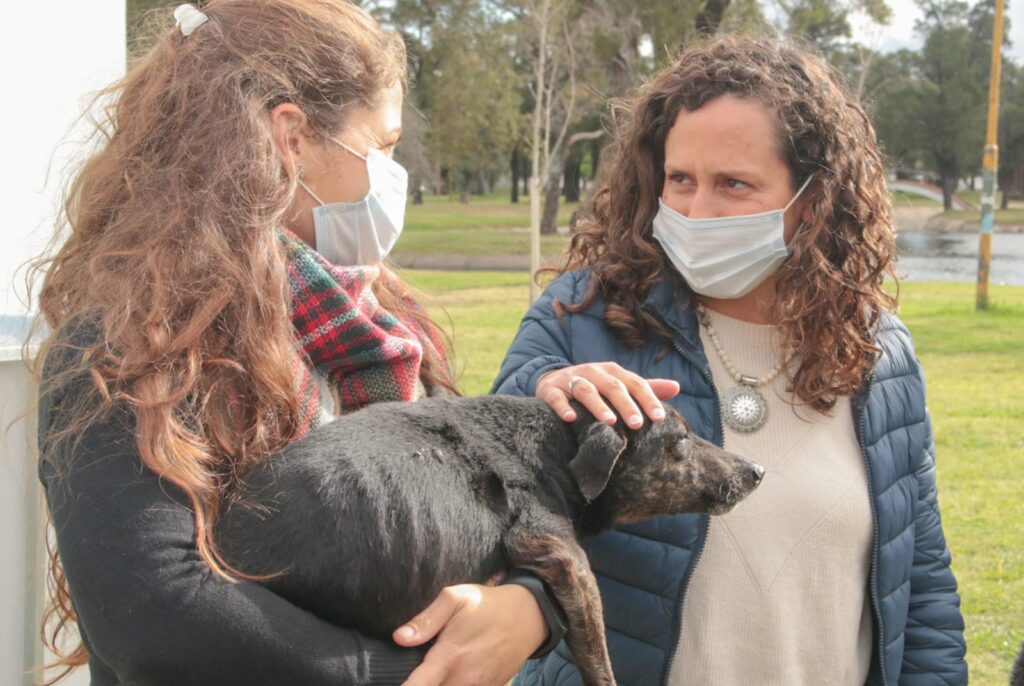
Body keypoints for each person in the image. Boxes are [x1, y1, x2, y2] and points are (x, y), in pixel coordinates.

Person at [33, 2, 566, 684]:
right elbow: (153, 615)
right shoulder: (125, 347)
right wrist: (414, 673)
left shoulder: (378, 328)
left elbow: (472, 507)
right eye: (384, 146)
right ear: (291, 138)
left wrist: (529, 605)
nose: (395, 176)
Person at [494, 35, 968, 685]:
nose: (695, 210)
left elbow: (921, 587)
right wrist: (548, 389)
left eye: (734, 184)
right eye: (680, 179)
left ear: (813, 198)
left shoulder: (880, 355)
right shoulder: (582, 314)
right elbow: (494, 477)